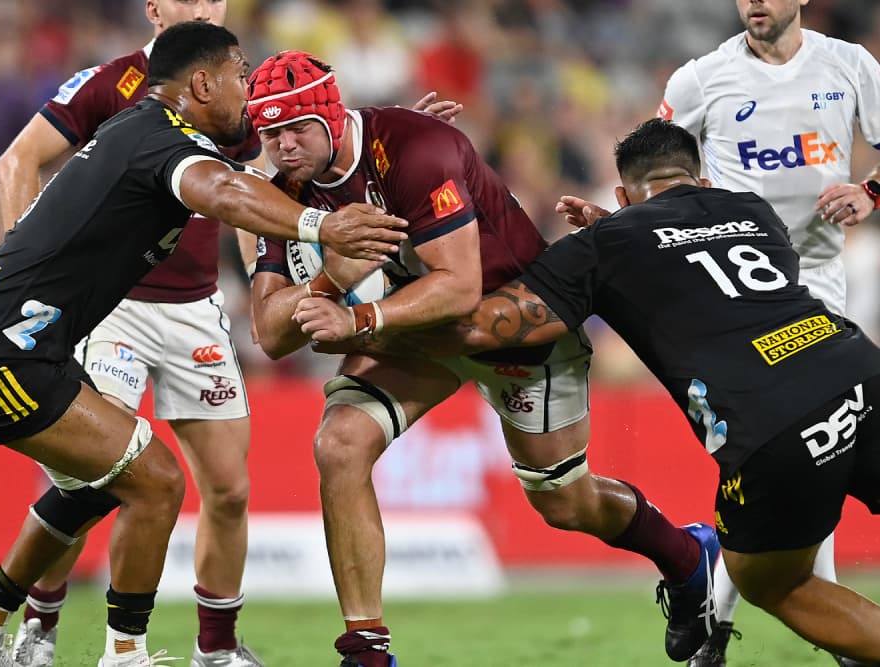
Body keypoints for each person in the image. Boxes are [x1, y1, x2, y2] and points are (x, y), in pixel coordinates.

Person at [0, 2, 459, 665]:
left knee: (229, 488)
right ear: (156, 8)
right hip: (112, 303)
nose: (208, 6)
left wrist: (387, 142)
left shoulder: (228, 96)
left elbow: (283, 162)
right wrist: (32, 275)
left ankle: (216, 648)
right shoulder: (111, 83)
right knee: (100, 474)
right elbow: (18, 161)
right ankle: (40, 628)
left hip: (194, 306)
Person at [336, 117, 880, 665]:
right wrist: (624, 237)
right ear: (704, 181)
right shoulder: (752, 210)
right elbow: (702, 265)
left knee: (770, 579)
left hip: (774, 425)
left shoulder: (603, 245)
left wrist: (366, 319)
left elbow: (486, 326)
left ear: (622, 193)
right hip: (861, 370)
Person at [248, 50, 718, 667]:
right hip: (417, 333)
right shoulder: (276, 192)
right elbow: (270, 331)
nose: (283, 146)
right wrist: (328, 282)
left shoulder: (417, 149)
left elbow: (460, 286)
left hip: (515, 323)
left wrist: (357, 317)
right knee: (339, 444)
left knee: (563, 502)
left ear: (335, 116)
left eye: (297, 128)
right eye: (269, 133)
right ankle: (366, 651)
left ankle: (686, 558)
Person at [555, 3, 880, 664]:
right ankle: (768, 625)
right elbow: (656, 166)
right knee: (772, 456)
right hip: (725, 291)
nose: (755, 0)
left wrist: (873, 192)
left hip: (816, 276)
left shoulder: (851, 66)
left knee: (787, 458)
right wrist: (618, 227)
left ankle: (719, 623)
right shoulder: (699, 79)